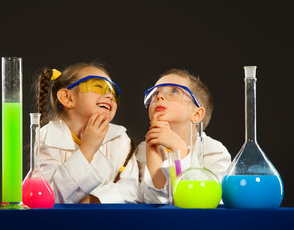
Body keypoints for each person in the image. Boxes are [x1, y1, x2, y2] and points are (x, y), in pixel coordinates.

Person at [36, 61, 140, 203]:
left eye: (113, 92)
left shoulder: (119, 138)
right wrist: (87, 149)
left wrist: (92, 199)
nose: (109, 95)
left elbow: (132, 191)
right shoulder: (47, 136)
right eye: (98, 86)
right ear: (68, 98)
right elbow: (49, 194)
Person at [136, 68, 231, 203]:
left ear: (197, 114)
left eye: (175, 91)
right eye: (155, 93)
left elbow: (201, 199)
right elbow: (155, 203)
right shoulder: (143, 150)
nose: (159, 96)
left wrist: (179, 147)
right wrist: (152, 149)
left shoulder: (214, 151)